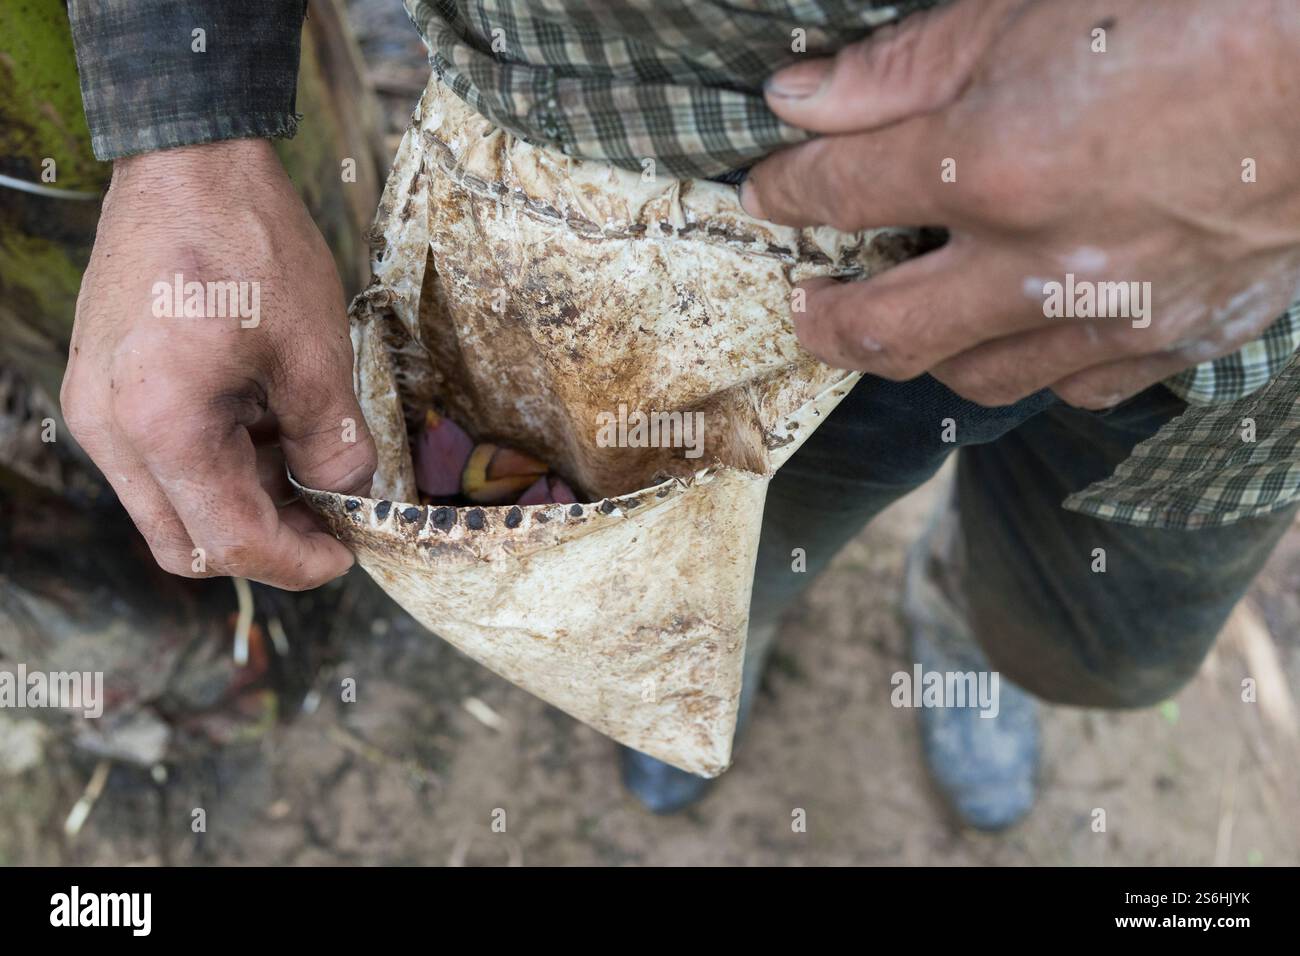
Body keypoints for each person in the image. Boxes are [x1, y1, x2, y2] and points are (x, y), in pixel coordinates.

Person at [63, 0, 1300, 827]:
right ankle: (709, 660)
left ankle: (966, 617)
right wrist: (186, 136)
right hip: (640, 241)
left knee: (1097, 648)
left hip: (1238, 284)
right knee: (683, 599)